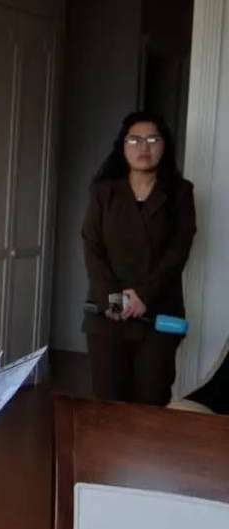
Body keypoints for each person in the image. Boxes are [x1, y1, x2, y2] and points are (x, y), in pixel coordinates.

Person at [82, 112, 196, 406]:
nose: (143, 147)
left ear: (164, 145)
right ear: (122, 146)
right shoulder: (102, 192)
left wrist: (143, 295)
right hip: (108, 312)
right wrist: (114, 298)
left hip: (158, 310)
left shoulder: (181, 193)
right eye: (134, 139)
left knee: (151, 399)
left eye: (152, 139)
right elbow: (92, 246)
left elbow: (178, 250)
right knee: (108, 403)